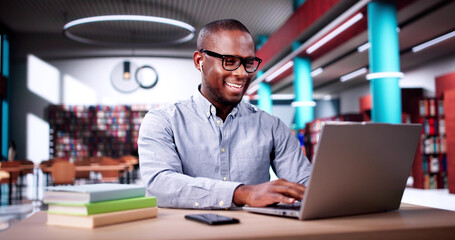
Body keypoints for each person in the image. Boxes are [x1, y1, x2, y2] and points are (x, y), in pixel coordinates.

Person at [138, 19, 312, 209]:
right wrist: (242, 193)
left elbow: (305, 182)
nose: (242, 73)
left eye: (248, 62)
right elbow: (160, 185)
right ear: (199, 61)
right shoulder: (163, 121)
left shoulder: (271, 126)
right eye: (229, 61)